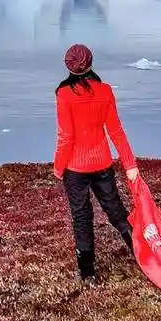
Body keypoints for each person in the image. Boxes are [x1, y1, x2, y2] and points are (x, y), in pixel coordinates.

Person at [53, 43, 139, 283]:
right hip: (102, 163)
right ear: (91, 63)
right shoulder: (105, 90)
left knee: (81, 216)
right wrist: (130, 165)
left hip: (75, 168)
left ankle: (88, 273)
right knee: (117, 211)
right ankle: (142, 256)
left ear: (68, 65)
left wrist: (58, 168)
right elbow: (116, 131)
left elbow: (66, 137)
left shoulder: (64, 94)